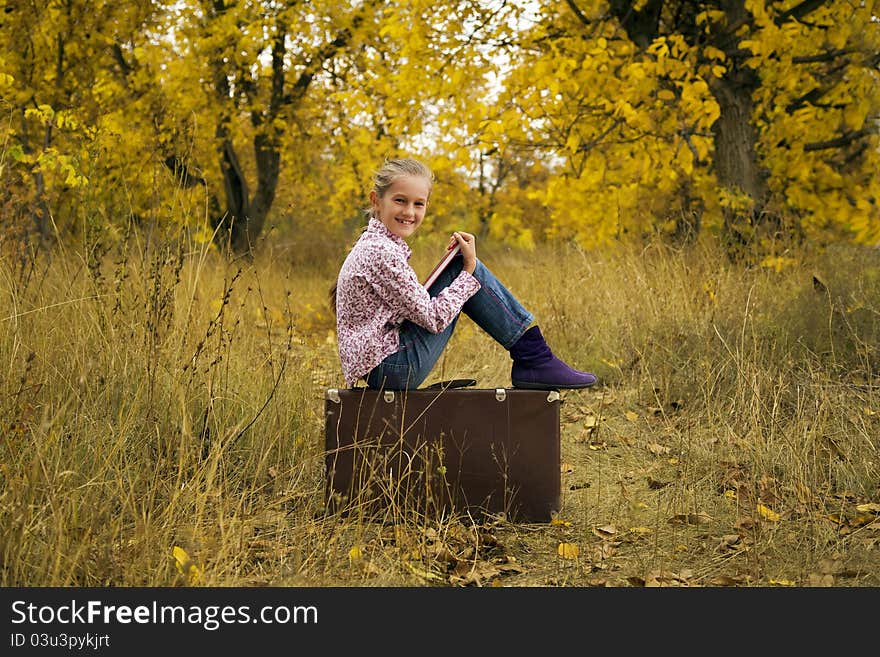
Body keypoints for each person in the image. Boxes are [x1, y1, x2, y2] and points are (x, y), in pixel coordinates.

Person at [331, 157, 597, 391]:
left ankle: (535, 359)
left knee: (458, 267)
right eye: (400, 201)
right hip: (394, 367)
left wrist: (454, 269)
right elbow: (433, 320)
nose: (409, 212)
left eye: (418, 204)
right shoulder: (381, 253)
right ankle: (536, 360)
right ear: (376, 200)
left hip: (384, 364)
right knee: (465, 268)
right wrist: (467, 271)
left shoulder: (375, 244)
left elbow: (413, 308)